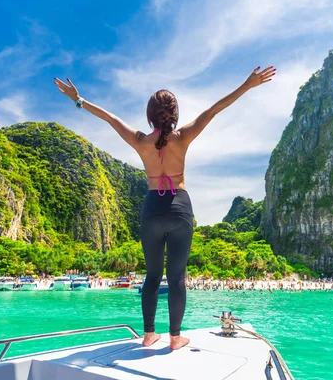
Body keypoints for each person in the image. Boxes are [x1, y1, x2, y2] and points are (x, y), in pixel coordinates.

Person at [54, 65, 276, 350]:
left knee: (152, 276)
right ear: (175, 114)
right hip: (180, 208)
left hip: (151, 208)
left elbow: (110, 118)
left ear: (150, 115)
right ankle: (175, 338)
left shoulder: (139, 140)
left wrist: (79, 100)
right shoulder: (183, 137)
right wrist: (247, 84)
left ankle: (148, 335)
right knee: (176, 278)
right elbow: (213, 110)